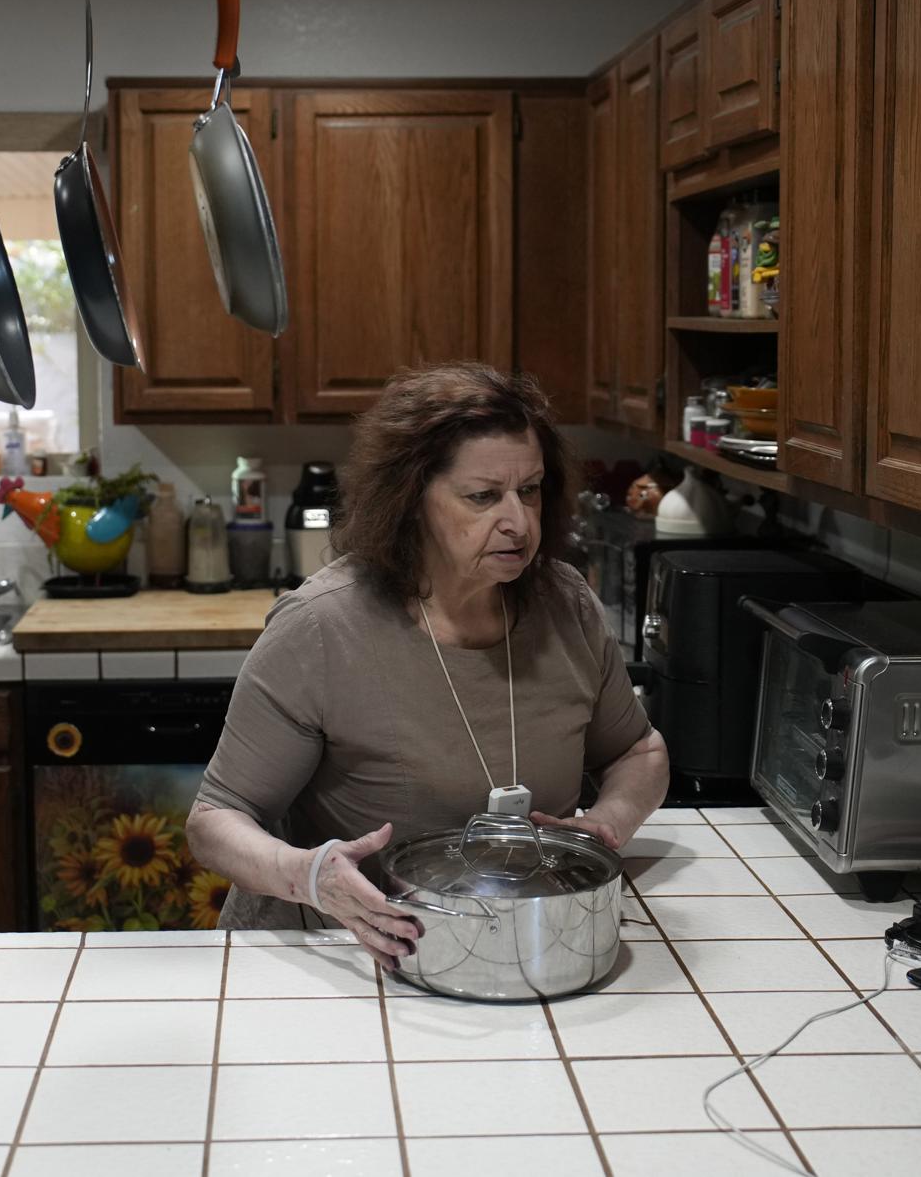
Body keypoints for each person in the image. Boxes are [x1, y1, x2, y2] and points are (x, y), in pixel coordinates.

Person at [187, 362, 670, 967]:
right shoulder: (322, 627)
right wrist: (308, 875)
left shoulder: (565, 605)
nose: (518, 522)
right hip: (336, 953)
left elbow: (638, 751)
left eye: (530, 490)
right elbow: (214, 821)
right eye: (482, 496)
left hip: (516, 947)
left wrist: (609, 820)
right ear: (412, 499)